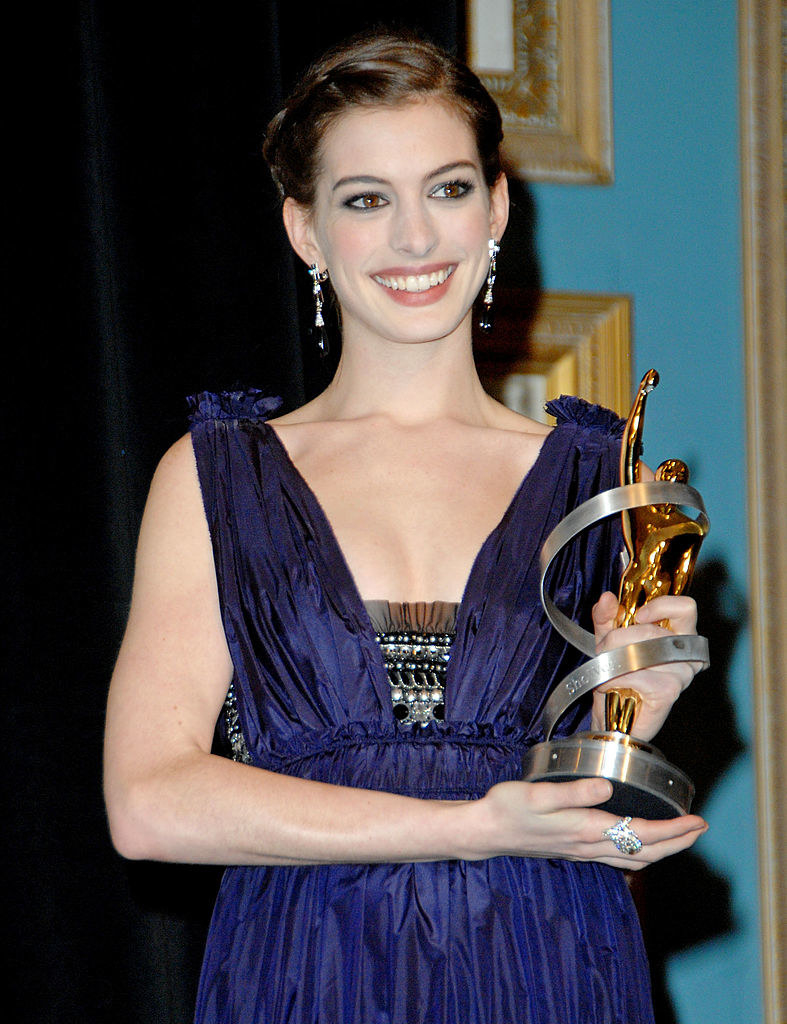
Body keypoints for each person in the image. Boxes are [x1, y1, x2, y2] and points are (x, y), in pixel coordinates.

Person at [104, 32, 708, 1024]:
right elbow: (147, 804)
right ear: (304, 229)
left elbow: (602, 839)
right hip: (303, 966)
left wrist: (633, 714)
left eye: (448, 188)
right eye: (366, 200)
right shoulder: (217, 475)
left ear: (498, 206)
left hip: (544, 959)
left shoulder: (601, 483)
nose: (417, 238)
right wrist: (468, 825)